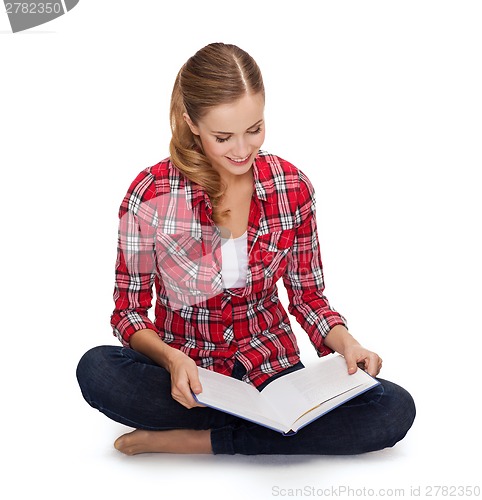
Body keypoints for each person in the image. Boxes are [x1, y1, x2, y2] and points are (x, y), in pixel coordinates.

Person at [76, 42, 415, 456]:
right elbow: (128, 311)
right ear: (191, 123)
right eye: (223, 136)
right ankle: (272, 432)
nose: (242, 150)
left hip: (271, 370)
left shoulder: (291, 186)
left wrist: (347, 344)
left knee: (392, 407)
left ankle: (202, 440)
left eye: (254, 129)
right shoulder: (150, 194)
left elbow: (308, 297)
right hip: (192, 377)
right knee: (98, 370)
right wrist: (171, 360)